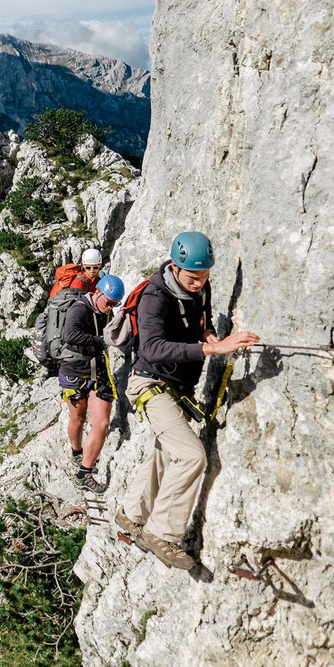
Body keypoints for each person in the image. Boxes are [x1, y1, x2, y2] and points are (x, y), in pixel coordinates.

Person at [115, 232, 259, 569]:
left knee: (166, 452)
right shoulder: (155, 297)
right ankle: (162, 534)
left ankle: (131, 515)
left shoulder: (200, 288)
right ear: (176, 268)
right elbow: (151, 348)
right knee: (192, 455)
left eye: (205, 276)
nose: (199, 284)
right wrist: (212, 348)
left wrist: (208, 334)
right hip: (150, 383)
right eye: (193, 277)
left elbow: (200, 322)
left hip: (177, 387)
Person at [60, 273, 125, 493]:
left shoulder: (107, 310)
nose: (110, 307)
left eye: (115, 304)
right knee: (78, 418)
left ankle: (84, 473)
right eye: (109, 302)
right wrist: (99, 342)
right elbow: (69, 335)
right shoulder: (79, 309)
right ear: (97, 292)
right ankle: (76, 452)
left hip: (98, 371)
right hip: (75, 372)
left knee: (102, 422)